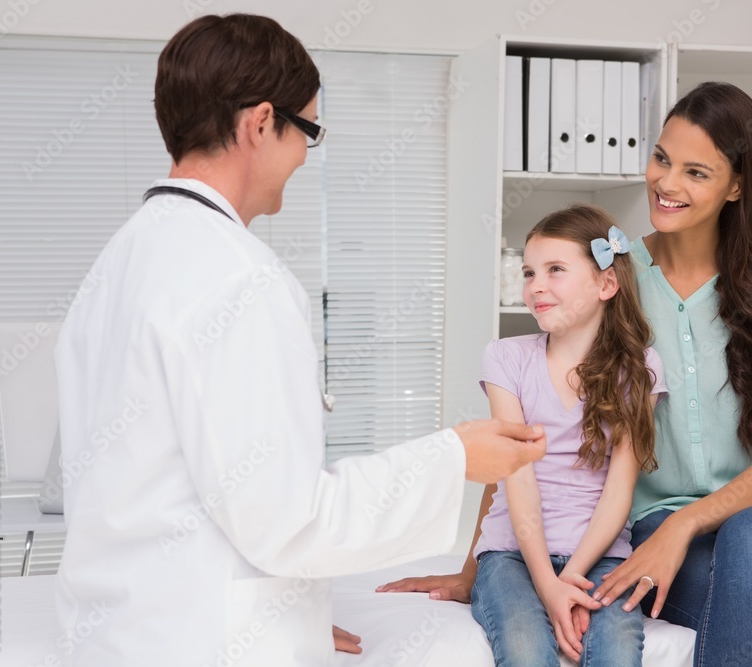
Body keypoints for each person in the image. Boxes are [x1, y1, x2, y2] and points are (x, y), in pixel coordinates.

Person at [53, 14, 545, 667]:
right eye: (308, 131)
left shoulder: (117, 263)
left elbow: (161, 486)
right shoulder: (241, 278)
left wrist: (282, 614)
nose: (305, 156)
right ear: (261, 124)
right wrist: (454, 457)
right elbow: (287, 519)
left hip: (127, 632)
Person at [380, 81, 752, 666]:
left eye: (696, 172)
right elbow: (533, 428)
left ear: (737, 186)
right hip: (654, 530)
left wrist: (683, 526)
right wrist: (476, 569)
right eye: (662, 158)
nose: (667, 183)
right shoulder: (612, 282)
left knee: (749, 535)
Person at [390, 204, 667, 666]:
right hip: (512, 555)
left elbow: (619, 492)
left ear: (605, 284)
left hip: (601, 556)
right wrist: (548, 585)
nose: (535, 285)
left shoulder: (640, 369)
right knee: (524, 646)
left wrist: (571, 577)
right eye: (529, 272)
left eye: (555, 270)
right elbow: (517, 482)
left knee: (618, 648)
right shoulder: (506, 359)